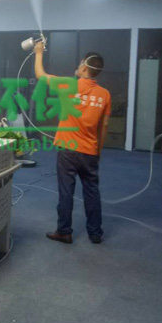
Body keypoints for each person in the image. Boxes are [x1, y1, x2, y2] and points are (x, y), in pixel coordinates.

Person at [33, 41, 111, 244]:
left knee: (66, 191)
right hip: (90, 151)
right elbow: (104, 126)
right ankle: (95, 233)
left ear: (84, 67)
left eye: (80, 63)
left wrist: (39, 52)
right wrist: (98, 151)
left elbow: (40, 75)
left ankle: (64, 231)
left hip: (68, 149)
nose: (78, 65)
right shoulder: (104, 94)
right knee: (92, 192)